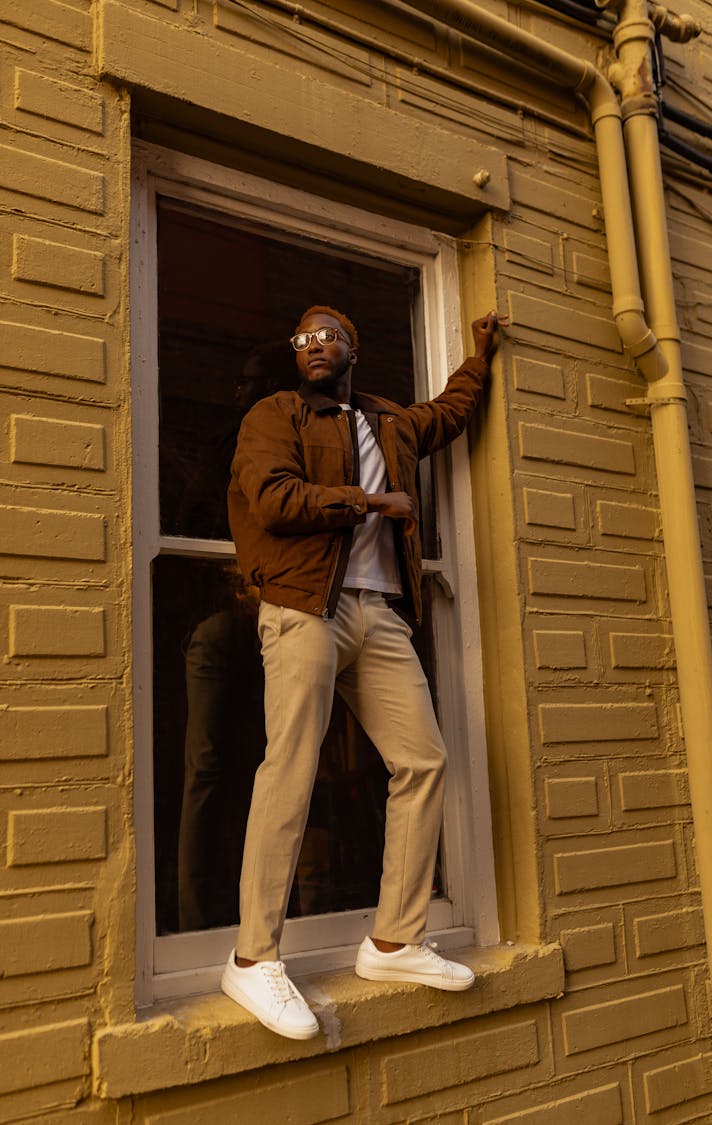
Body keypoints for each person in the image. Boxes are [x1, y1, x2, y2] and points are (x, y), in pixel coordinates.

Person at [222, 303, 503, 1039]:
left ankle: (393, 939)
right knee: (290, 766)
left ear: (354, 346)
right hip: (302, 605)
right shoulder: (274, 414)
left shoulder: (389, 421)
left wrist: (480, 358)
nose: (315, 344)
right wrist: (371, 501)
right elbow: (272, 497)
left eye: (328, 335)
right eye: (303, 337)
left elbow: (448, 414)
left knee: (424, 760)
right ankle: (253, 957)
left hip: (378, 613)